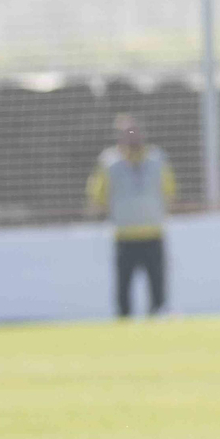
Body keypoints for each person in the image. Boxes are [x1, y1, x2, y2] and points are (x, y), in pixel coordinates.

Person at [88, 114, 176, 317]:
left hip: (153, 233)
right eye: (126, 133)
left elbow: (169, 191)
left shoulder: (156, 159)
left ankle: (158, 320)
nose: (132, 137)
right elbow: (97, 196)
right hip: (124, 236)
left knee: (157, 290)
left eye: (134, 132)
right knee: (123, 291)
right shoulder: (109, 163)